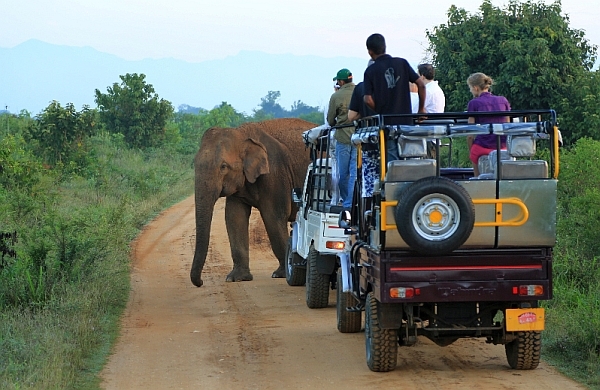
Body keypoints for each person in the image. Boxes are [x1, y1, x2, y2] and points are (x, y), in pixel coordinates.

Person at [363, 33, 426, 161]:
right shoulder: (402, 63)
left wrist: (380, 110)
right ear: (384, 47)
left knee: (392, 160)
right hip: (407, 122)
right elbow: (421, 85)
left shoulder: (370, 71)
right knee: (411, 157)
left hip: (387, 124)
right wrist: (421, 109)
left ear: (370, 52)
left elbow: (367, 99)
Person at [466, 72, 511, 176]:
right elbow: (508, 126)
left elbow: (470, 134)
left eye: (470, 88)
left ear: (476, 88)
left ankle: (478, 180)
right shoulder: (503, 100)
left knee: (474, 153)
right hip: (502, 146)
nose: (470, 90)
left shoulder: (474, 103)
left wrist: (471, 150)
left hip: (482, 146)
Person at [327, 68, 356, 209]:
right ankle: (352, 202)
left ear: (341, 81)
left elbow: (330, 120)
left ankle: (347, 202)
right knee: (355, 173)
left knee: (343, 174)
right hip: (359, 139)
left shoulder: (336, 97)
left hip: (343, 138)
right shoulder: (360, 91)